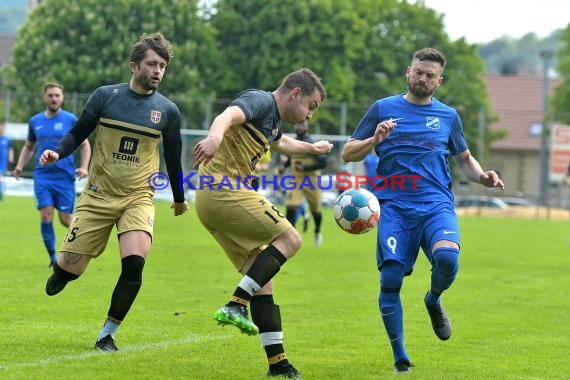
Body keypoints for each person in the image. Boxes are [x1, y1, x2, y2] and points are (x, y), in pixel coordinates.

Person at [341, 47, 505, 373]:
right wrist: (374, 139)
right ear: (408, 72)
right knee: (390, 279)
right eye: (419, 72)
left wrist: (483, 177)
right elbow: (348, 153)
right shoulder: (382, 108)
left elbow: (465, 160)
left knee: (447, 258)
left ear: (439, 81)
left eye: (430, 75)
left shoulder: (448, 116)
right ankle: (401, 359)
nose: (423, 78)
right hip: (393, 208)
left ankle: (433, 299)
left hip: (435, 204)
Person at [38, 32, 188, 352]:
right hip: (97, 195)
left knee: (134, 264)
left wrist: (178, 198)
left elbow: (174, 158)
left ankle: (107, 334)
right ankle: (63, 273)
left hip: (138, 197)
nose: (158, 70)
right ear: (134, 66)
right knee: (68, 270)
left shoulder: (168, 111)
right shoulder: (106, 96)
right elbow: (78, 132)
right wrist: (57, 153)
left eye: (162, 65)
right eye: (152, 64)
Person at [193, 68, 331, 379]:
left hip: (214, 200)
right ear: (295, 93)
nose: (310, 114)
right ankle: (235, 303)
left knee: (263, 281)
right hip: (222, 189)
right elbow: (228, 115)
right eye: (311, 105)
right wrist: (214, 137)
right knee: (292, 239)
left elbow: (281, 145)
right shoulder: (260, 101)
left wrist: (313, 148)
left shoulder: (272, 121)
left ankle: (278, 365)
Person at [12, 83, 91, 266]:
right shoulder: (35, 121)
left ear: (62, 97)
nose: (54, 98)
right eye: (50, 95)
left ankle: (83, 247)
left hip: (64, 177)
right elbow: (29, 146)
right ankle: (53, 258)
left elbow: (85, 144)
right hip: (43, 177)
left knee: (66, 219)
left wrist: (84, 167)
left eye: (57, 95)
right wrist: (19, 166)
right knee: (45, 214)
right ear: (44, 98)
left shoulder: (71, 119)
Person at [280, 120, 327, 247]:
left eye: (303, 124)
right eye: (298, 124)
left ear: (307, 127)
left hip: (312, 180)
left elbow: (323, 163)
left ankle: (317, 231)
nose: (300, 126)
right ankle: (291, 238)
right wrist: (284, 167)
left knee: (315, 211)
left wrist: (305, 169)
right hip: (296, 180)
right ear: (294, 125)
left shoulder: (312, 143)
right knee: (291, 207)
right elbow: (291, 157)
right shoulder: (292, 142)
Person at [0, 122, 14, 201]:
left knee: (1, 177)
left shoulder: (7, 139)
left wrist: (11, 157)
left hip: (3, 162)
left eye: (2, 127)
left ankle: (1, 193)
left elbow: (10, 149)